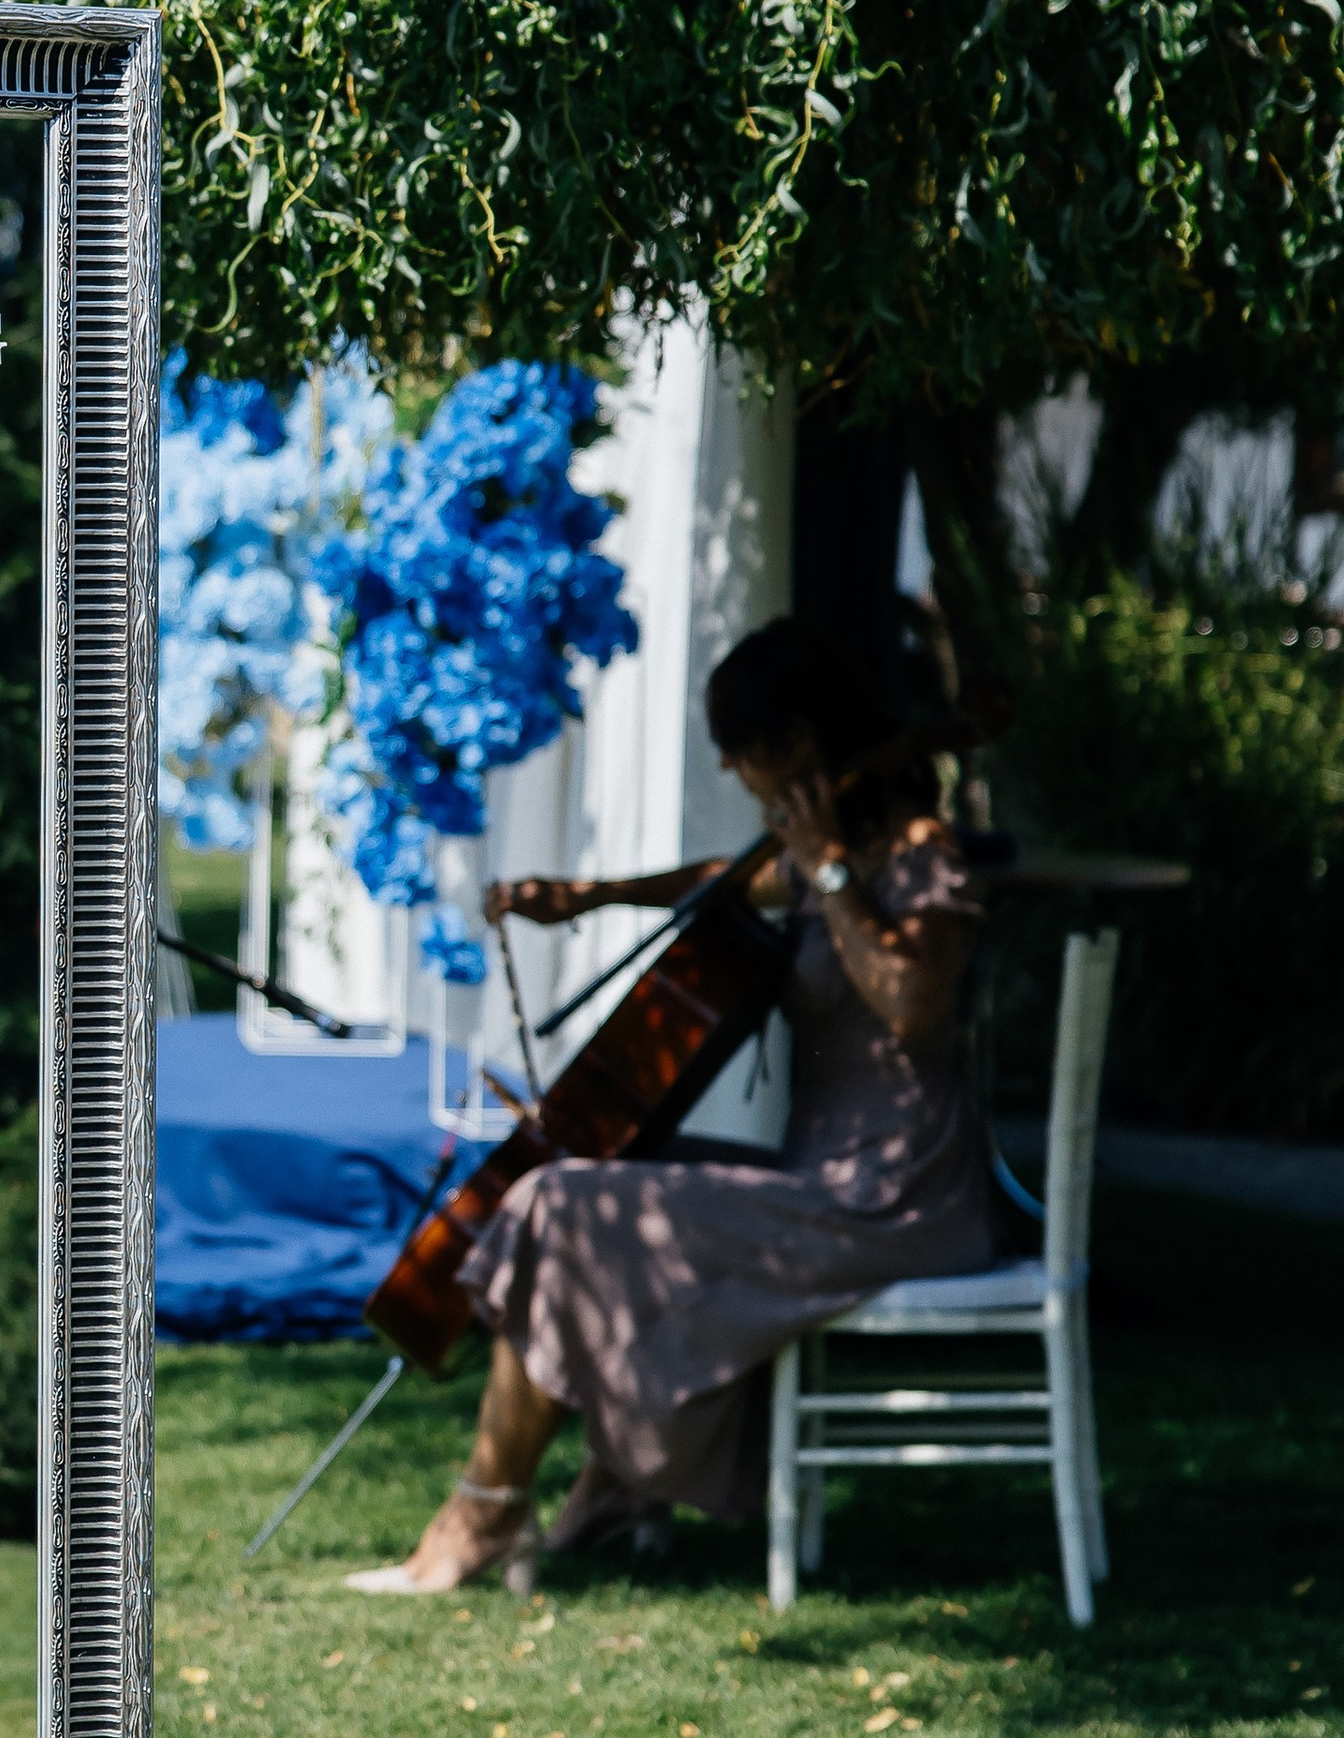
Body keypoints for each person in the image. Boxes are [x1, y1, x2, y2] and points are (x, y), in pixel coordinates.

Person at [347, 616, 995, 1594]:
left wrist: (826, 866)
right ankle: (618, 1495)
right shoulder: (844, 852)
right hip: (825, 1179)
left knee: (561, 1205)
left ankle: (486, 1514)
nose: (736, 771)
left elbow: (911, 1002)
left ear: (801, 742)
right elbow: (720, 885)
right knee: (608, 1181)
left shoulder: (913, 851)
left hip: (895, 1196)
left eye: (747, 750)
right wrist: (586, 896)